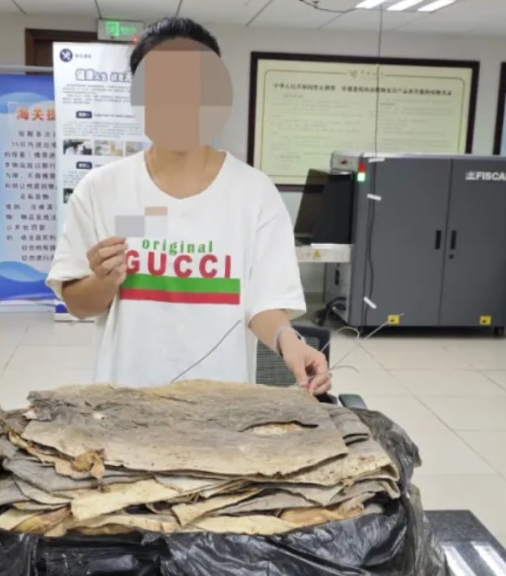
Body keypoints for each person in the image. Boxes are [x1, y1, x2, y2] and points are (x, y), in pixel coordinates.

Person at [46, 17, 330, 395]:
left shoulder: (254, 193)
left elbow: (264, 304)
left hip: (220, 401)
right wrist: (104, 281)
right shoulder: (101, 189)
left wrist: (288, 341)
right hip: (124, 400)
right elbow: (78, 304)